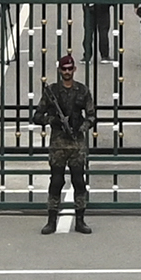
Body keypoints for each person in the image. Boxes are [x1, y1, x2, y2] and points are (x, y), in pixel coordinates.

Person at [35, 60, 94, 239]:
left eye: (70, 69)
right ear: (60, 70)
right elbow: (37, 116)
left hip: (76, 144)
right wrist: (52, 120)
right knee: (56, 181)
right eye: (64, 69)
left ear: (74, 70)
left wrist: (80, 127)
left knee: (78, 181)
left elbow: (91, 117)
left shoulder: (82, 91)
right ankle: (51, 219)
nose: (67, 72)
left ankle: (80, 220)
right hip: (58, 143)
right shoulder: (51, 92)